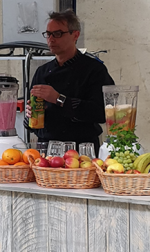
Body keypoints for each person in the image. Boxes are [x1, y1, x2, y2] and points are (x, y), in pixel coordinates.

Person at [25, 9, 114, 151]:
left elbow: (102, 113)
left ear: (75, 35)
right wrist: (30, 115)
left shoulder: (94, 70)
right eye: (48, 34)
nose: (51, 39)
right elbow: (33, 122)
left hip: (82, 148)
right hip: (47, 147)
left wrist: (59, 99)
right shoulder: (42, 71)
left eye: (58, 34)